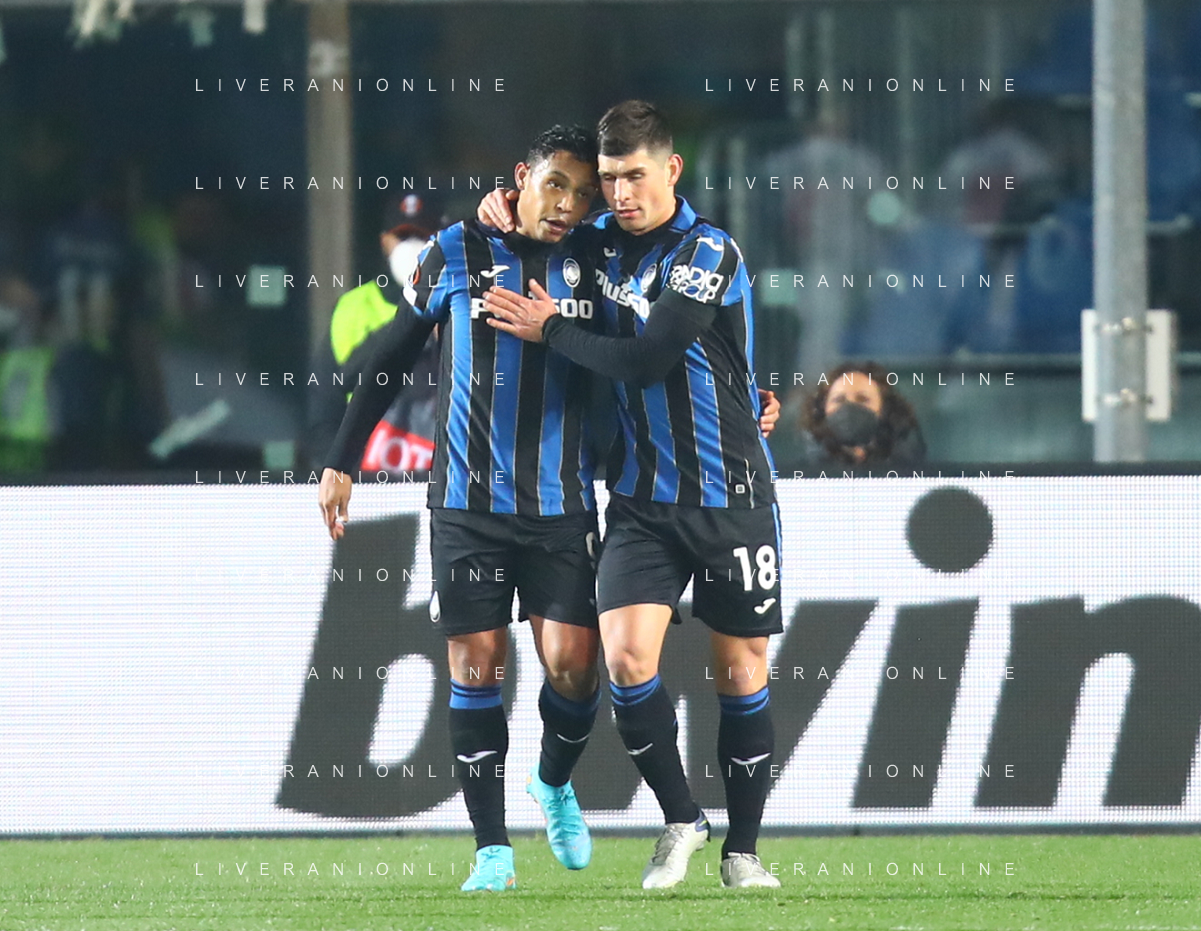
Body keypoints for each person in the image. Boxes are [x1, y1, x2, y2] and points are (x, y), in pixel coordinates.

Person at [480, 100, 783, 890]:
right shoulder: (594, 244)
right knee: (622, 658)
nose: (618, 193)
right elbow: (534, 220)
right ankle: (681, 817)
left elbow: (649, 359)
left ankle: (743, 851)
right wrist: (497, 204)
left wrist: (550, 329)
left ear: (671, 169)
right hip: (641, 500)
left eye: (634, 176)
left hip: (730, 492)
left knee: (740, 671)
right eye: (609, 179)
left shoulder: (706, 249)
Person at [318, 126, 606, 893]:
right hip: (465, 505)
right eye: (555, 184)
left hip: (560, 504)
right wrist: (343, 459)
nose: (567, 204)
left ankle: (552, 780)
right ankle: (491, 850)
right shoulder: (456, 249)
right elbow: (391, 354)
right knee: (476, 663)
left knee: (575, 669)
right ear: (522, 177)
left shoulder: (599, 255)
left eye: (583, 193)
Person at [306, 193, 442, 475]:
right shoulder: (351, 308)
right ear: (384, 241)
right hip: (369, 480)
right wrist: (346, 476)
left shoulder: (460, 305)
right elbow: (325, 406)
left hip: (440, 481)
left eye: (421, 237)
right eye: (401, 237)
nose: (411, 247)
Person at [779, 361, 927, 473]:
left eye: (862, 400)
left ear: (885, 410)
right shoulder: (803, 476)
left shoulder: (911, 473)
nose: (849, 408)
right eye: (839, 400)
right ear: (821, 409)